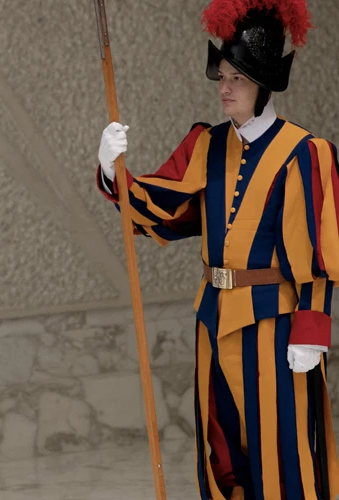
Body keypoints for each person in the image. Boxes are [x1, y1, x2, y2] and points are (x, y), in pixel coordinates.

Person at [95, 1, 338, 498]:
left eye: (238, 78)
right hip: (212, 315)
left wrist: (311, 331)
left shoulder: (304, 152)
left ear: (264, 84)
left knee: (282, 448)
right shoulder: (207, 144)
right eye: (222, 76)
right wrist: (110, 170)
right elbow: (160, 206)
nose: (225, 88)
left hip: (274, 324)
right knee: (222, 447)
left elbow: (320, 252)